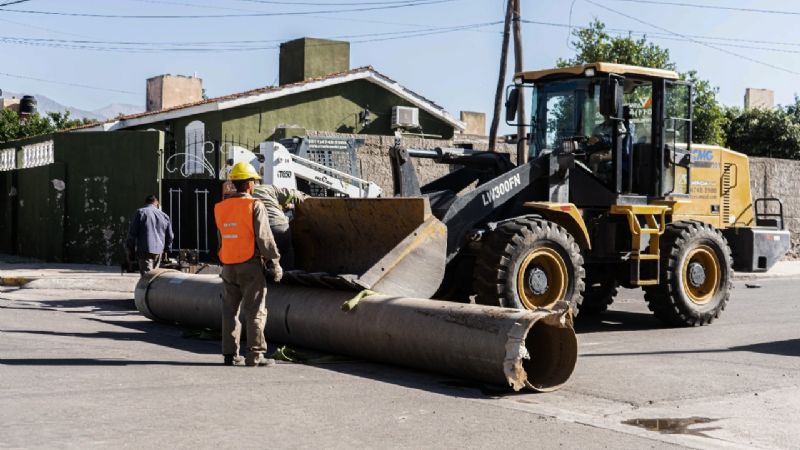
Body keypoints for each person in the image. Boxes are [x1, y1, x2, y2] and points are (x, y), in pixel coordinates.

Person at [214, 161, 283, 367]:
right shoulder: (255, 205)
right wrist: (275, 262)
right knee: (255, 311)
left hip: (228, 265)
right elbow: (264, 237)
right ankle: (255, 355)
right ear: (250, 184)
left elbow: (222, 238)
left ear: (234, 183)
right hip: (249, 265)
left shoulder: (221, 207)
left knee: (229, 311)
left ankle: (230, 354)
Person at [252, 184, 308, 270]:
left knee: (259, 251)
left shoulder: (245, 194)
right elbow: (292, 194)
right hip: (278, 225)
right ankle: (288, 273)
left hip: (260, 229)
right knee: (285, 250)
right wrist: (306, 197)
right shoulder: (268, 188)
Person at [126, 195, 174, 276]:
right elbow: (170, 236)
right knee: (154, 277)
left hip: (145, 249)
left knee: (147, 277)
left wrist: (130, 250)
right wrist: (166, 249)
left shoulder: (140, 212)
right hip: (158, 251)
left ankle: (148, 288)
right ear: (157, 203)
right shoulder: (164, 216)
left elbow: (132, 233)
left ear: (145, 203)